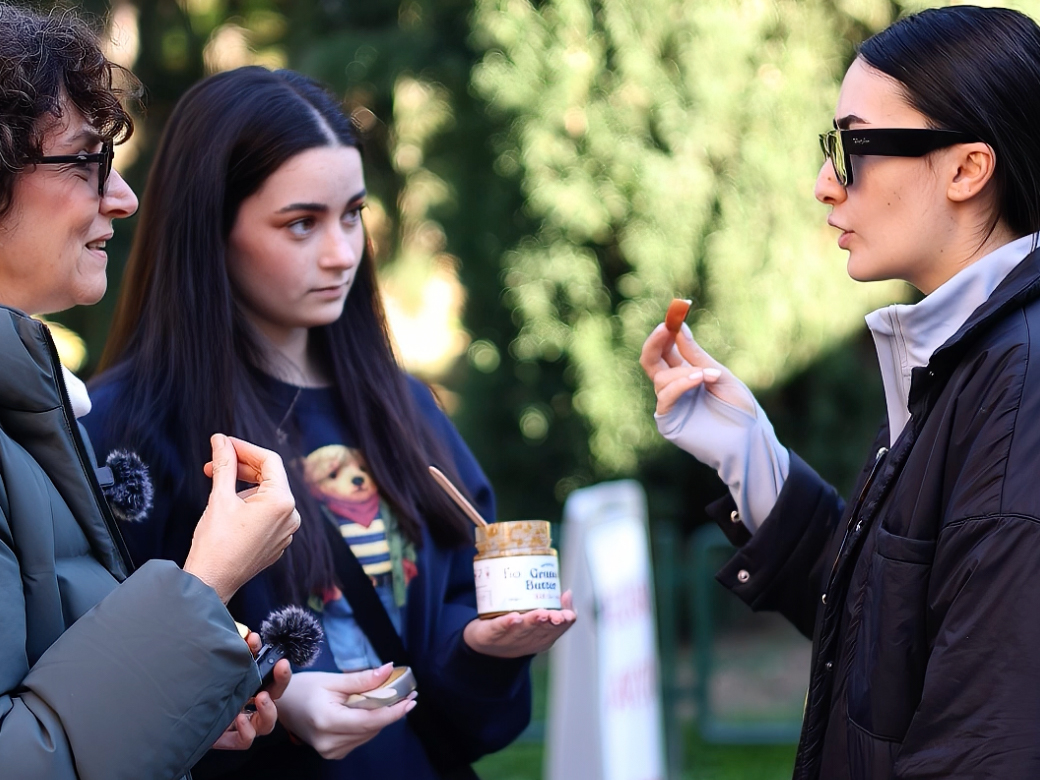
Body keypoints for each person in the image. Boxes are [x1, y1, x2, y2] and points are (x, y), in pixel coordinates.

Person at [84, 65, 576, 780]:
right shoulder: (123, 433)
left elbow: (457, 659)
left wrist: (482, 649)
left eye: (352, 214)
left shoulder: (405, 407)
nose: (343, 253)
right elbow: (102, 689)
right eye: (301, 223)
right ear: (210, 227)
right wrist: (266, 703)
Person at [641, 6, 1040, 779]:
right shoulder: (967, 354)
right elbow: (890, 624)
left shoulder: (1018, 384)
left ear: (967, 169)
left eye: (853, 148)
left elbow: (988, 745)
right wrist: (746, 450)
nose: (825, 184)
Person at [0, 5, 308, 779]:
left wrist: (183, 686)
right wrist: (205, 583)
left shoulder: (31, 403)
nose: (123, 198)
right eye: (84, 160)